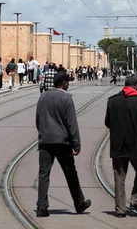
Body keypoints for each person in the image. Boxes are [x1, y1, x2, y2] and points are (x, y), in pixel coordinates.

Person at [35, 70, 91, 217]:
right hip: (62, 142)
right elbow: (71, 123)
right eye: (68, 82)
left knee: (43, 174)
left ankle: (41, 207)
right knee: (70, 173)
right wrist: (76, 144)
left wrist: (43, 134)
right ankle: (79, 203)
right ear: (64, 83)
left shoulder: (43, 97)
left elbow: (38, 120)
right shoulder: (66, 99)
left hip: (45, 141)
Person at [105, 76, 137, 218]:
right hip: (136, 144)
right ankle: (135, 201)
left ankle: (120, 209)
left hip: (118, 144)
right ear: (136, 86)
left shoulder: (112, 101)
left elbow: (107, 122)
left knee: (119, 176)